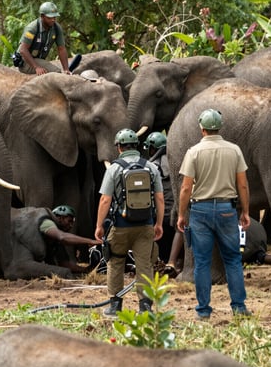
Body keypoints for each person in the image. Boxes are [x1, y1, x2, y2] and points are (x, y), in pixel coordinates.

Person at [176, 109, 252, 318]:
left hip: (200, 210)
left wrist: (182, 214)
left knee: (201, 262)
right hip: (227, 211)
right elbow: (243, 185)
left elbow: (185, 188)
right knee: (233, 260)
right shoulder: (234, 150)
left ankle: (203, 310)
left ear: (202, 129)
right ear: (219, 127)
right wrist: (245, 211)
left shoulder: (193, 152)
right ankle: (239, 307)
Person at [95, 129, 164, 316]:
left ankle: (115, 307)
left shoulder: (114, 169)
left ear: (118, 147)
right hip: (145, 225)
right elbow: (159, 198)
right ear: (137, 146)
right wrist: (158, 224)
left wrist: (99, 226)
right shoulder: (151, 167)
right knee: (145, 265)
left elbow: (105, 200)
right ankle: (146, 307)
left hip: (120, 225)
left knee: (116, 262)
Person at [13, 1, 79, 75]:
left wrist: (66, 69)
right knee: (56, 72)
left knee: (59, 71)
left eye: (54, 17)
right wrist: (36, 67)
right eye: (49, 17)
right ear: (42, 16)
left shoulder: (56, 28)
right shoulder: (32, 28)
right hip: (26, 61)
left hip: (38, 59)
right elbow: (23, 50)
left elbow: (61, 49)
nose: (53, 20)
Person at [142, 131, 174, 264]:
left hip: (159, 215)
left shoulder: (151, 166)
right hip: (174, 213)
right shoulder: (174, 162)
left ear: (153, 148)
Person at [42, 205, 100, 273]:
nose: (71, 225)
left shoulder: (57, 242)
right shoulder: (46, 223)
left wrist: (87, 269)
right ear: (61, 218)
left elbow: (65, 264)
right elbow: (63, 237)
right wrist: (90, 241)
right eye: (69, 221)